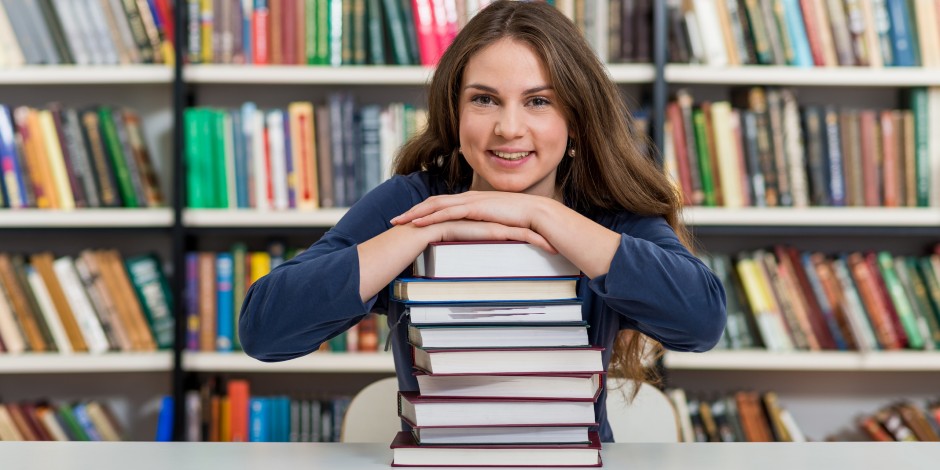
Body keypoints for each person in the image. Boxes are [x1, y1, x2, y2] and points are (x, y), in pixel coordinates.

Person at [239, 1, 726, 442]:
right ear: (455, 111)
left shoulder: (606, 216)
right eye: (484, 99)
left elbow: (701, 321)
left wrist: (542, 214)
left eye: (539, 101)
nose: (508, 127)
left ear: (574, 120)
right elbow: (265, 330)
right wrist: (424, 231)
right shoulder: (417, 199)